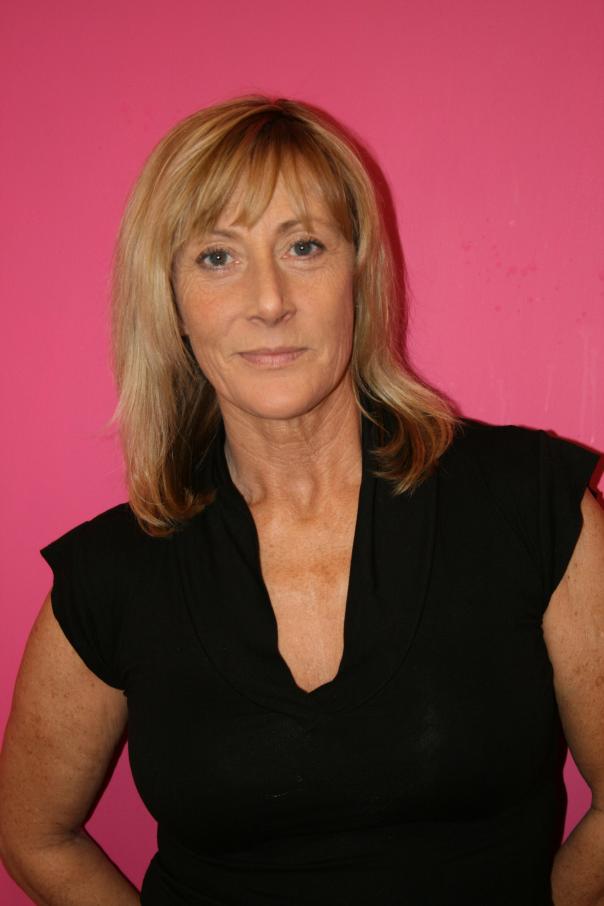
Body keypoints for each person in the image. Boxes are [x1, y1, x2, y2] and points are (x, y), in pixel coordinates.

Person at [0, 95, 602, 906]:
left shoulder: (532, 507)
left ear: (359, 272)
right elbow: (33, 835)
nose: (269, 299)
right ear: (171, 302)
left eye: (305, 246)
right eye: (218, 256)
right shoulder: (113, 574)